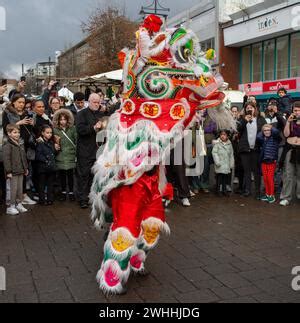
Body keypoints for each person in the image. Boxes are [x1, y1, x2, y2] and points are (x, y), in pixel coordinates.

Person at [2, 94, 36, 205]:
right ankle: (12, 199)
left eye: (23, 102)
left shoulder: (26, 113)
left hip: (26, 146)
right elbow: (6, 128)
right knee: (15, 172)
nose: (21, 104)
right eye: (19, 102)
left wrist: (32, 123)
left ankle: (23, 195)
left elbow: (31, 129)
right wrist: (18, 123)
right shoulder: (7, 113)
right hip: (13, 145)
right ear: (13, 102)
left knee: (25, 171)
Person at [76, 93, 104, 209]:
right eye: (94, 102)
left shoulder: (101, 114)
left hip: (98, 150)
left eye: (98, 102)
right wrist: (93, 128)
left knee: (96, 176)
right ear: (89, 101)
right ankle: (82, 199)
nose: (97, 104)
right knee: (84, 175)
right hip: (85, 150)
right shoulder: (82, 113)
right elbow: (80, 130)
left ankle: (93, 197)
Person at [238, 102, 266, 198]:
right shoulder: (242, 119)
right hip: (245, 148)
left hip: (256, 148)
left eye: (251, 107)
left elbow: (265, 131)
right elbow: (238, 130)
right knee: (247, 170)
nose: (249, 109)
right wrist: (244, 120)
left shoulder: (260, 119)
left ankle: (257, 191)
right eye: (247, 108)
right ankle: (247, 190)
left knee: (256, 171)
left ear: (255, 109)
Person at [3, 124, 29, 215]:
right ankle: (11, 206)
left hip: (20, 170)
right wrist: (8, 171)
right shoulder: (7, 145)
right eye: (14, 132)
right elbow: (6, 159)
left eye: (18, 132)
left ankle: (19, 203)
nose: (17, 134)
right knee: (12, 189)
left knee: (19, 189)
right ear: (9, 133)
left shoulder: (20, 144)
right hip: (12, 172)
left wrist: (25, 168)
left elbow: (23, 157)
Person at [53, 109, 77, 202]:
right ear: (58, 120)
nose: (63, 121)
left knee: (71, 176)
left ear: (68, 120)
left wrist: (76, 153)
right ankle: (63, 192)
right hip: (60, 155)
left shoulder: (73, 129)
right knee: (62, 176)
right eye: (61, 119)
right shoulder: (55, 130)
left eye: (64, 119)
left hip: (71, 154)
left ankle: (71, 192)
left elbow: (76, 140)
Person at [280, 102, 300, 206]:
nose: (297, 112)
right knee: (288, 174)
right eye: (295, 110)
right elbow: (286, 134)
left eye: (299, 110)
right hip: (290, 149)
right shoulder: (290, 120)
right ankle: (286, 197)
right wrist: (288, 122)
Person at [35, 125, 59, 206]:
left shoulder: (51, 143)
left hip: (51, 168)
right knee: (41, 184)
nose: (49, 134)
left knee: (50, 184)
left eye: (51, 133)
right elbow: (38, 155)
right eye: (47, 133)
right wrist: (46, 160)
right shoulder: (40, 142)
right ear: (42, 133)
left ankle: (50, 199)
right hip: (43, 168)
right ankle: (42, 199)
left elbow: (54, 154)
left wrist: (56, 147)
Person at [257, 124, 281, 204]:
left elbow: (276, 132)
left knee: (270, 179)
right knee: (265, 179)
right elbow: (258, 136)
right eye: (265, 130)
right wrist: (263, 129)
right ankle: (267, 194)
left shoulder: (275, 138)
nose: (267, 132)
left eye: (268, 130)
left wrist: (270, 127)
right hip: (264, 161)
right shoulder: (262, 139)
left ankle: (272, 195)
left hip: (271, 161)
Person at [212, 130, 235, 197]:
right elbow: (214, 153)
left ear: (227, 136)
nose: (222, 136)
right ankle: (218, 190)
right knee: (219, 178)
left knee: (225, 178)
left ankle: (224, 190)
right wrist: (217, 161)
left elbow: (231, 154)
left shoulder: (229, 144)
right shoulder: (217, 143)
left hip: (226, 164)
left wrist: (231, 163)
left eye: (224, 135)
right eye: (221, 134)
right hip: (220, 164)